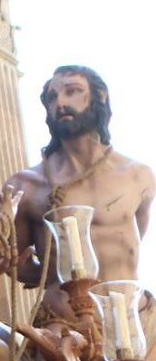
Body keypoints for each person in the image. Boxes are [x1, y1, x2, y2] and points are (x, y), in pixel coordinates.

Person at [10, 66, 153, 324]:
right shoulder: (27, 185)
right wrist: (52, 272)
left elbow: (132, 243)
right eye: (52, 98)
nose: (61, 102)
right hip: (65, 325)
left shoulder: (138, 176)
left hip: (137, 322)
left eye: (72, 91)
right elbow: (15, 263)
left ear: (100, 96)